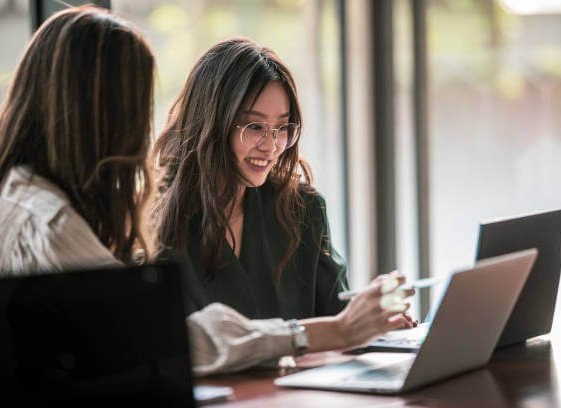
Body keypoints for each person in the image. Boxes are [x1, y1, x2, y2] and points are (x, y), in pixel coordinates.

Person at [0, 7, 413, 378]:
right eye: (134, 108)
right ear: (96, 118)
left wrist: (362, 326)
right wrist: (323, 332)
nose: (139, 131)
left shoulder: (26, 207)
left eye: (282, 128)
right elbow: (169, 340)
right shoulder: (57, 224)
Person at [154, 38, 416, 374]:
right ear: (211, 122)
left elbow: (340, 321)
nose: (272, 146)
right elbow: (174, 354)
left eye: (282, 128)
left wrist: (376, 321)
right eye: (254, 127)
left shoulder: (301, 210)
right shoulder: (157, 226)